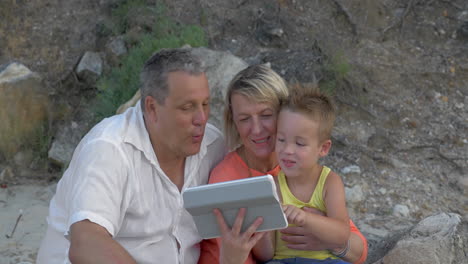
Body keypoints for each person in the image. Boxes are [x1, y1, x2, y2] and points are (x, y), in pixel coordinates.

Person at [36, 48, 226, 263]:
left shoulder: (213, 145)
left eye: (205, 104)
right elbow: (87, 243)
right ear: (152, 108)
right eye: (187, 107)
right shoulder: (109, 148)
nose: (201, 118)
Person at [198, 65, 368, 264]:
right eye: (244, 119)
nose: (257, 129)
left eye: (266, 115)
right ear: (233, 121)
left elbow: (359, 251)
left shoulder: (294, 167)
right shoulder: (226, 179)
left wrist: (324, 238)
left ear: (284, 113)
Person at [262, 83, 350, 263]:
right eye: (281, 139)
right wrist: (261, 226)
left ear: (323, 148)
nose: (287, 150)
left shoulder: (329, 182)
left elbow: (342, 235)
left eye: (300, 143)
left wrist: (305, 218)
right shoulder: (273, 185)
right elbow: (266, 254)